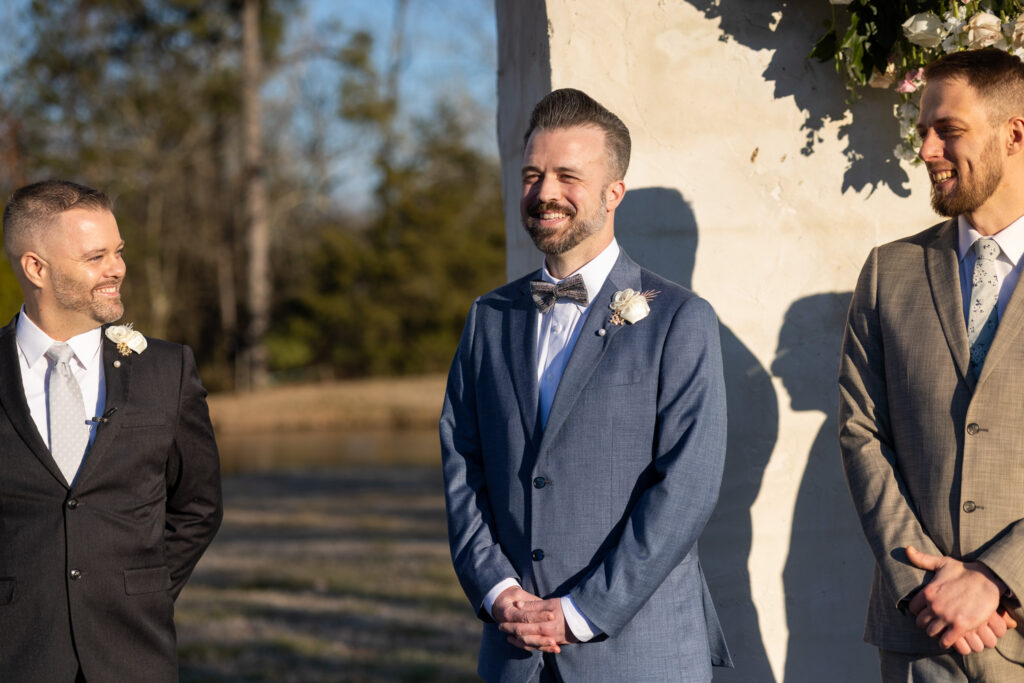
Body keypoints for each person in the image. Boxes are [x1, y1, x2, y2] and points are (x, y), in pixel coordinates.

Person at [440, 88, 730, 682]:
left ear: (612, 193)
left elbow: (687, 488)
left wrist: (579, 612)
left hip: (639, 654)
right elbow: (462, 465)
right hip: (515, 653)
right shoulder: (488, 317)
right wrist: (497, 589)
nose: (545, 192)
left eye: (568, 176)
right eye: (532, 174)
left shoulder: (680, 319)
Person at [839, 48, 1024, 681]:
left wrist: (999, 577)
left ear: (1014, 135)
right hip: (922, 634)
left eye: (948, 131)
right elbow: (861, 432)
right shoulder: (890, 271)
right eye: (922, 131)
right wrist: (925, 586)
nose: (926, 150)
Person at [0, 180, 223, 682]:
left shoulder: (168, 369)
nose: (117, 269)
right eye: (95, 256)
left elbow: (199, 507)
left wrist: (141, 589)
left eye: (118, 252)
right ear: (37, 267)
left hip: (133, 655)